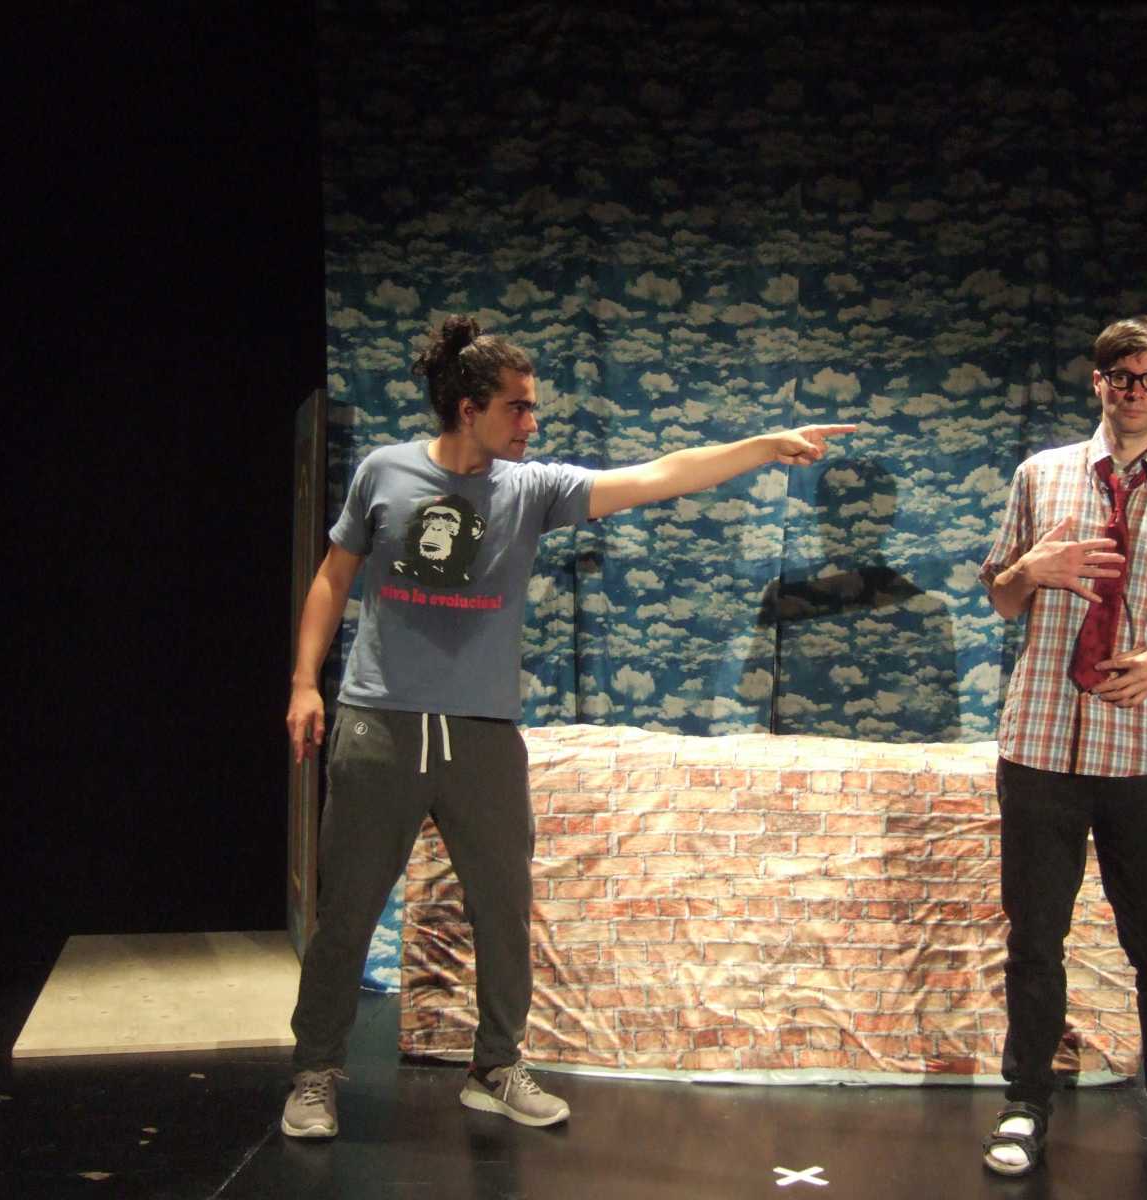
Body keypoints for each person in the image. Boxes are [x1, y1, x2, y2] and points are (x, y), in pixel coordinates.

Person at [281, 314, 852, 1139]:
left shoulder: (531, 489)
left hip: (482, 732)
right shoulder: (385, 472)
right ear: (470, 408)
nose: (532, 422)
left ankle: (496, 1066)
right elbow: (334, 577)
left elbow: (657, 475)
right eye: (518, 407)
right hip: (381, 723)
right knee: (348, 912)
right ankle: (315, 1072)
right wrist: (305, 683)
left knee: (504, 909)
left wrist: (762, 447)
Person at [977, 315, 1147, 1198]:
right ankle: (1025, 1104)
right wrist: (1029, 572)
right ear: (1098, 383)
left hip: (1145, 748)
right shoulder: (1041, 476)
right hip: (1043, 742)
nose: (1134, 392)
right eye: (1120, 377)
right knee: (1034, 940)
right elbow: (1001, 597)